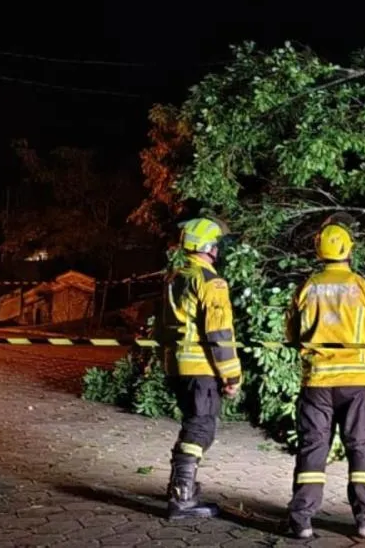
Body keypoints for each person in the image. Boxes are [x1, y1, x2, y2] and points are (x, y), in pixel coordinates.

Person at [285, 219, 365, 539]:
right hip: (355, 382)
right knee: (361, 448)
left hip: (316, 382)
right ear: (349, 250)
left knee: (312, 448)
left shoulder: (306, 286)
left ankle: (302, 520)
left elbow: (292, 333)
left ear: (319, 252)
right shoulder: (363, 286)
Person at [159, 216, 243, 520]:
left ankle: (181, 488)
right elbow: (219, 333)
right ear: (210, 247)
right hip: (201, 367)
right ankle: (182, 497)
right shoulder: (210, 281)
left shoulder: (175, 278)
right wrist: (231, 375)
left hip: (176, 366)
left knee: (192, 425)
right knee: (200, 427)